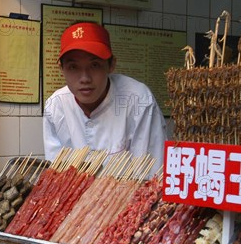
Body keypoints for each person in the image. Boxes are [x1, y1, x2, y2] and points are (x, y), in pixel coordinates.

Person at [43, 22, 166, 171]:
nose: (85, 78)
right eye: (73, 67)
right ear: (61, 69)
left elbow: (152, 174)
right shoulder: (55, 106)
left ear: (111, 65)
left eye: (94, 65)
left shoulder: (138, 100)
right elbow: (55, 176)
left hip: (128, 193)